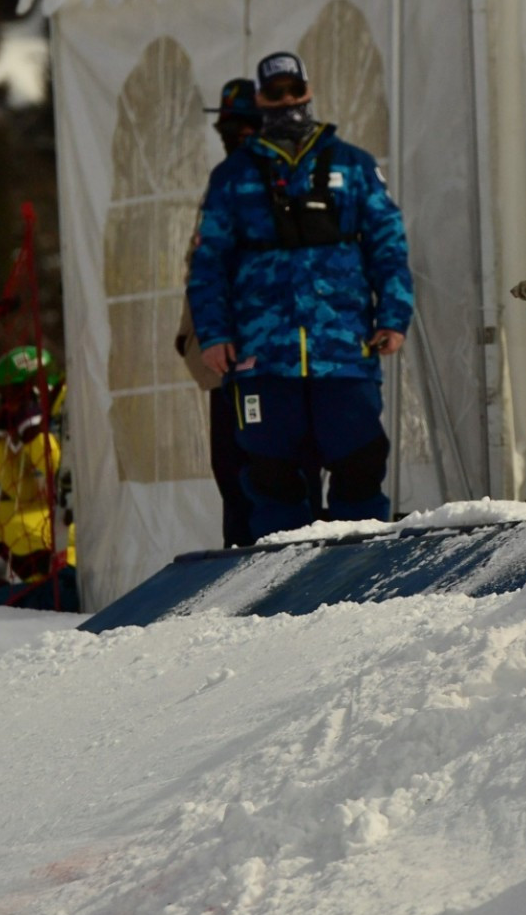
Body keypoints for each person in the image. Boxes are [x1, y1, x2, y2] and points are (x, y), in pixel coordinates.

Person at [187, 51, 414, 537]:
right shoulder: (233, 177)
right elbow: (208, 264)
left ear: (308, 93)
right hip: (262, 357)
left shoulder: (352, 165)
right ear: (261, 100)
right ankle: (280, 591)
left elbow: (388, 245)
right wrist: (212, 334)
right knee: (270, 478)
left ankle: (363, 574)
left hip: (343, 351)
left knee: (360, 464)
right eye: (275, 93)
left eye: (294, 90)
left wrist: (394, 316)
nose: (287, 101)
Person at [177, 79, 265, 546]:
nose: (236, 138)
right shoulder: (225, 185)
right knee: (233, 473)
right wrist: (205, 337)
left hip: (264, 358)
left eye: (246, 128)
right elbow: (205, 269)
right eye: (229, 129)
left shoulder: (269, 185)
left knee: (262, 475)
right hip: (226, 358)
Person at [0, 345, 79, 610]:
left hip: (82, 512)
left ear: (35, 386)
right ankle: (40, 581)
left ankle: (63, 580)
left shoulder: (72, 407)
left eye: (12, 395)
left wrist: (35, 436)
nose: (8, 404)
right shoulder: (35, 416)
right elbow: (22, 491)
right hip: (53, 507)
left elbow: (59, 470)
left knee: (22, 526)